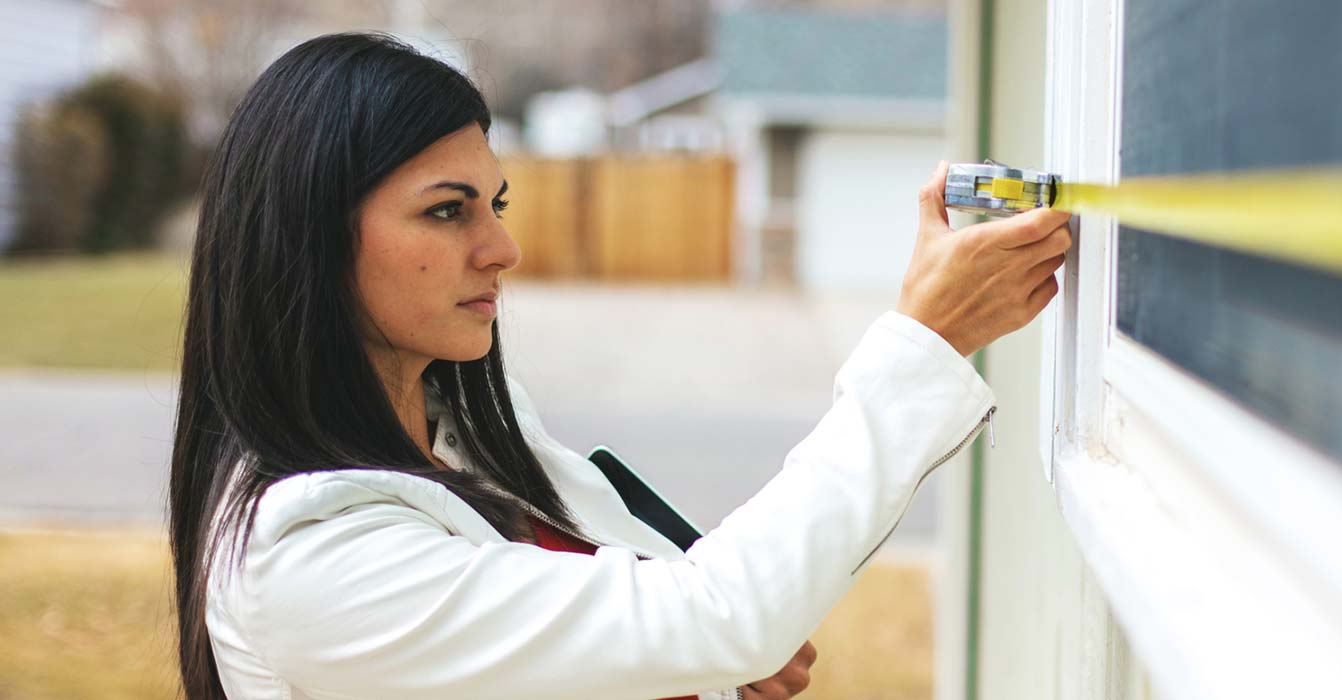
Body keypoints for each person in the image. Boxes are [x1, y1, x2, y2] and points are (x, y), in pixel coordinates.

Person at [165, 33, 1070, 700]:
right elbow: (718, 613)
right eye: (448, 211)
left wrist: (695, 669)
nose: (502, 249)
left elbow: (669, 612)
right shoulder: (308, 561)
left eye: (495, 205)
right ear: (311, 237)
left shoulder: (460, 433)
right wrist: (925, 341)